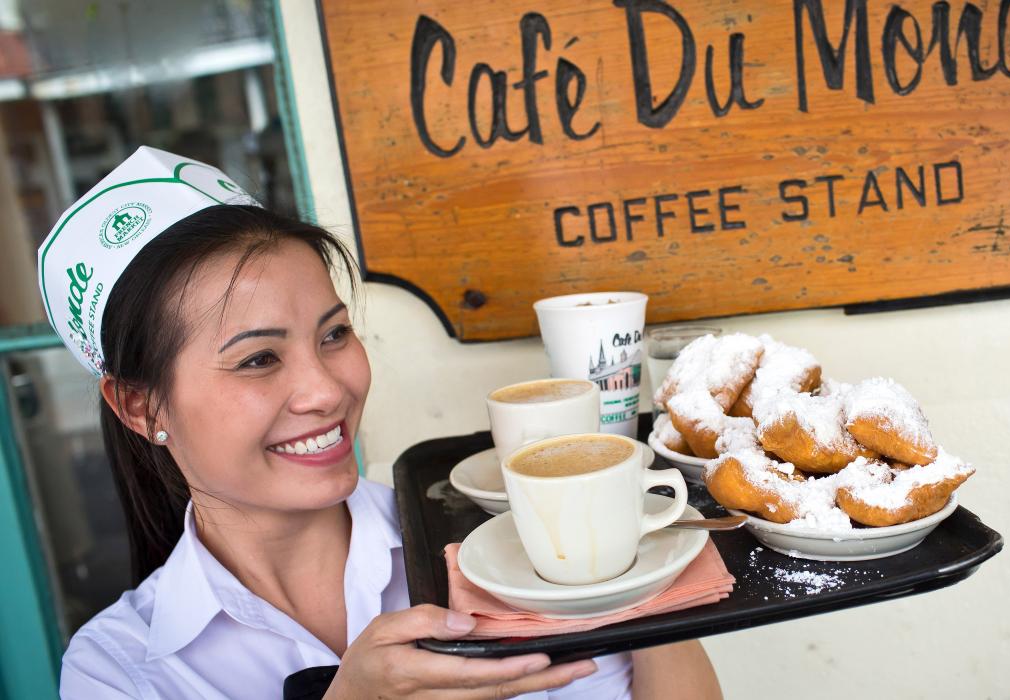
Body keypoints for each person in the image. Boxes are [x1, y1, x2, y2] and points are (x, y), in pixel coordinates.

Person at [40, 148, 723, 699]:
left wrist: (638, 563)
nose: (325, 389)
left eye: (334, 335)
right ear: (140, 405)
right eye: (258, 359)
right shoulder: (119, 669)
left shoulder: (507, 542)